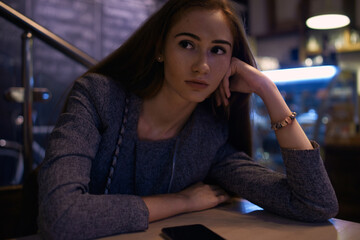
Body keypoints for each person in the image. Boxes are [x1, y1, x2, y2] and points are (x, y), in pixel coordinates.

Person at [37, 0, 338, 239]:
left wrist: (267, 90)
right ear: (160, 49)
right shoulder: (98, 98)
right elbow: (60, 218)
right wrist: (183, 201)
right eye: (187, 44)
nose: (202, 66)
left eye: (217, 50)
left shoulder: (208, 137)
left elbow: (315, 204)